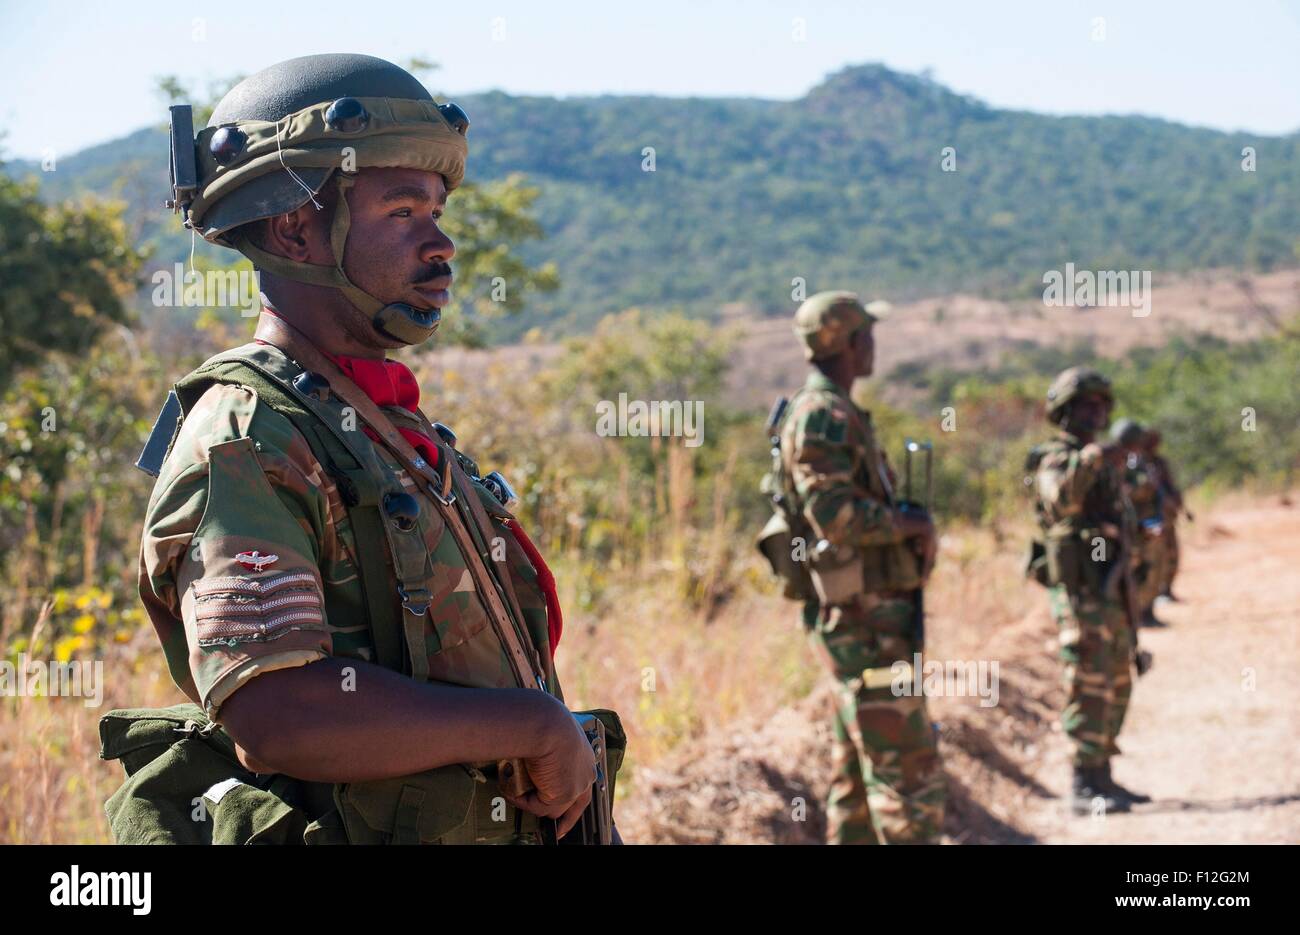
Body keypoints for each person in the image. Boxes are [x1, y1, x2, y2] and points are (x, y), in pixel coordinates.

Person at [106, 53, 621, 845]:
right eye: (403, 211)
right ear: (296, 227)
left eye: (439, 211)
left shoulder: (373, 424)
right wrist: (529, 726)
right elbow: (277, 711)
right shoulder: (248, 436)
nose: (442, 243)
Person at [772, 290, 944, 844]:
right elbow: (834, 516)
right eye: (867, 333)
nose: (874, 343)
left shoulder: (832, 410)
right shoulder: (823, 414)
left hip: (866, 618)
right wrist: (912, 526)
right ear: (846, 342)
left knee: (856, 779)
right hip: (865, 623)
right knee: (907, 778)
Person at [1028, 368, 1151, 815]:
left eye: (1102, 404)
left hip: (1111, 585)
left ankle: (1103, 775)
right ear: (1064, 411)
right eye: (1086, 404)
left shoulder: (1100, 458)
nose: (1096, 412)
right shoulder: (1056, 457)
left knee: (1117, 675)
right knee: (1087, 677)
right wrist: (1095, 459)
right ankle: (1082, 781)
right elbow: (1060, 500)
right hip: (1081, 587)